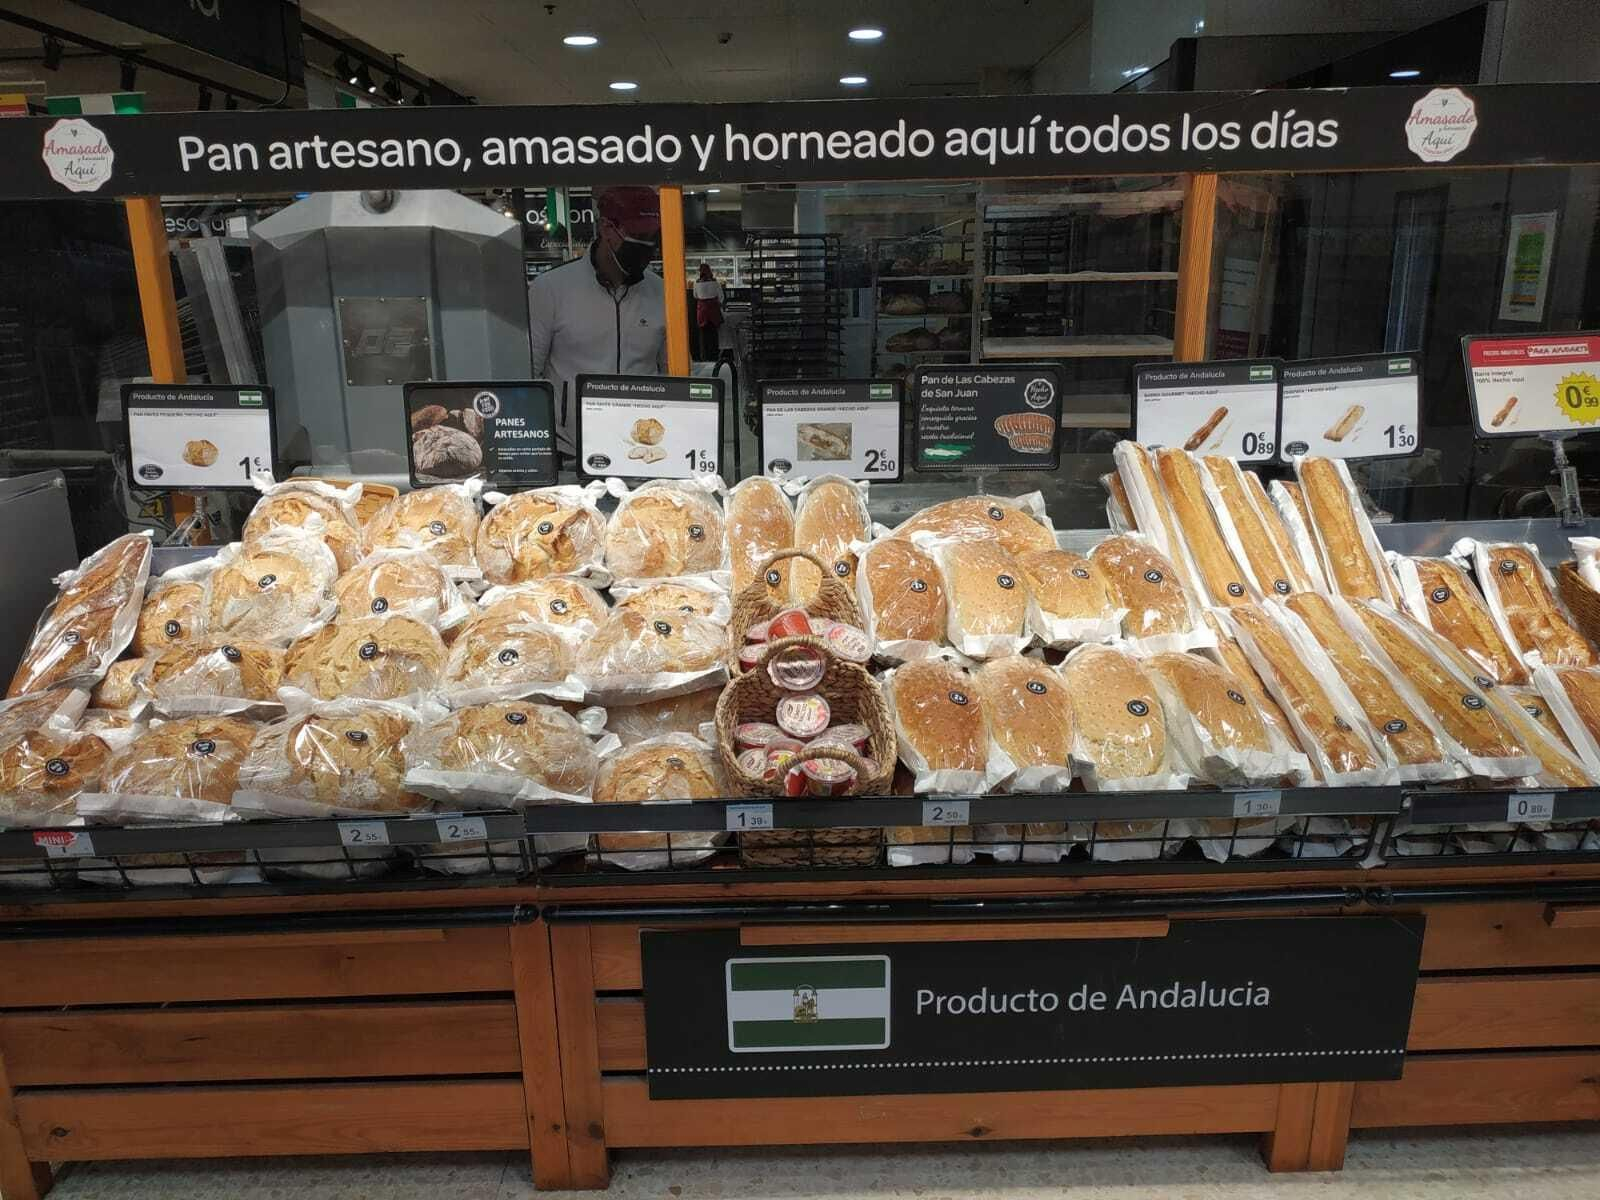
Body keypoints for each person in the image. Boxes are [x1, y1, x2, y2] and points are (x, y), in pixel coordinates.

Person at [527, 185, 666, 450]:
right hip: (570, 448)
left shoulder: (661, 291)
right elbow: (529, 373)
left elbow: (675, 371)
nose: (646, 246)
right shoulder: (551, 289)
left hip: (640, 445)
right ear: (606, 227)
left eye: (652, 237)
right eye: (637, 235)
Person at [693, 262, 724, 362]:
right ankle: (714, 356)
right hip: (713, 311)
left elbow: (695, 296)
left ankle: (704, 357)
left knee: (703, 335)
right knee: (714, 334)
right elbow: (721, 297)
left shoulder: (696, 283)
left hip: (702, 312)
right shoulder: (715, 283)